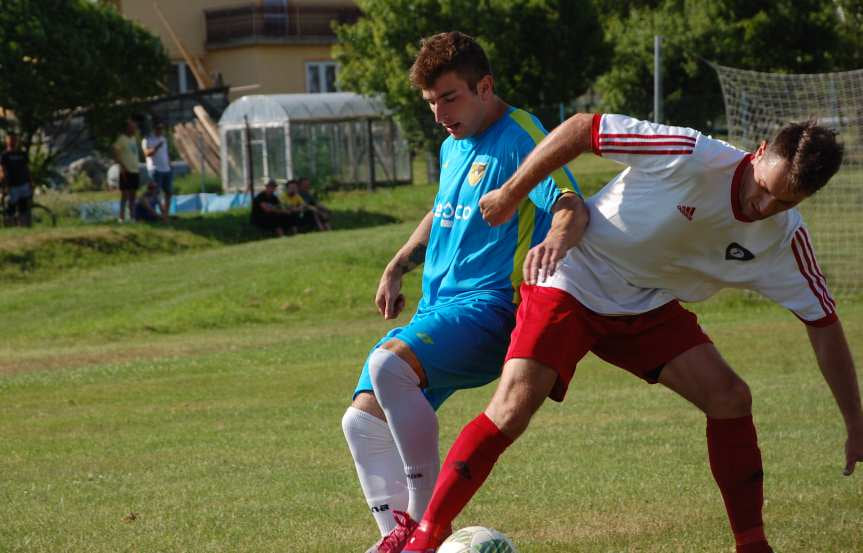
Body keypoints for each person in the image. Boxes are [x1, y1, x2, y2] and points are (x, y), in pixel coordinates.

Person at [402, 113, 863, 553]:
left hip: (646, 303)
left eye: (784, 202)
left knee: (730, 397)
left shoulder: (784, 239)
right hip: (575, 273)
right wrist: (510, 192)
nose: (763, 206)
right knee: (512, 409)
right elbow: (583, 129)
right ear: (759, 152)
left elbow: (823, 326)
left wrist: (856, 423)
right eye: (764, 188)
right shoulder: (690, 153)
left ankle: (752, 544)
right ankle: (425, 536)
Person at [340, 31, 588, 553]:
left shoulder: (522, 136)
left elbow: (569, 201)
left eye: (448, 98)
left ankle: (423, 530)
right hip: (439, 307)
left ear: (485, 86)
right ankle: (395, 541)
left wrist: (554, 247)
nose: (439, 114)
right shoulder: (453, 143)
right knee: (360, 420)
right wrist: (397, 264)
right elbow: (442, 211)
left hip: (491, 309)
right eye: (431, 103)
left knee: (388, 366)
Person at [0, 132, 33, 227]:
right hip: (11, 186)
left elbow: (27, 169)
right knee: (10, 208)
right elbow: (2, 170)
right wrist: (4, 185)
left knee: (23, 208)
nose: (12, 142)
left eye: (14, 140)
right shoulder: (4, 155)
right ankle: (10, 227)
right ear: (6, 141)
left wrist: (31, 182)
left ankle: (23, 227)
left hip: (23, 184)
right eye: (10, 140)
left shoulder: (22, 154)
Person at [142, 121, 173, 222]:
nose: (161, 130)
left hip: (166, 169)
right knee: (155, 193)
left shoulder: (163, 139)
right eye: (159, 128)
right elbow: (147, 154)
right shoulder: (147, 140)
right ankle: (153, 215)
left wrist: (169, 164)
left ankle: (165, 216)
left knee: (168, 193)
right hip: (155, 169)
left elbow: (166, 153)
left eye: (162, 128)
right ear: (154, 129)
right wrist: (157, 146)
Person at [113, 118, 141, 223]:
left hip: (135, 170)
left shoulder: (133, 139)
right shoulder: (122, 139)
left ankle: (132, 216)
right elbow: (116, 152)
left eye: (135, 127)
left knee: (133, 195)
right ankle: (121, 217)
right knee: (124, 194)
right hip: (126, 170)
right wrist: (122, 166)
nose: (134, 129)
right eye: (132, 127)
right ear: (127, 128)